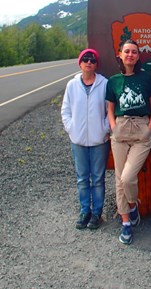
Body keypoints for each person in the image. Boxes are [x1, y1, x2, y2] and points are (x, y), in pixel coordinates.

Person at [106, 39, 151, 245]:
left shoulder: (146, 78)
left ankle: (133, 205)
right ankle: (126, 221)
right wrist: (113, 126)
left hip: (140, 130)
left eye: (134, 52)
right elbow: (110, 107)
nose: (130, 55)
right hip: (120, 129)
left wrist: (150, 128)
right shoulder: (113, 81)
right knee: (119, 180)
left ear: (138, 56)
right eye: (126, 51)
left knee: (127, 177)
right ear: (120, 54)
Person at [61, 48, 111, 230]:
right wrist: (71, 129)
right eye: (85, 59)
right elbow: (65, 110)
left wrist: (105, 129)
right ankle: (85, 210)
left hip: (99, 141)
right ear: (80, 63)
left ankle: (97, 212)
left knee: (98, 178)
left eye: (92, 60)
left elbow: (109, 111)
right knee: (82, 178)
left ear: (96, 64)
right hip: (78, 141)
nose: (88, 62)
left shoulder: (104, 84)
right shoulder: (71, 85)